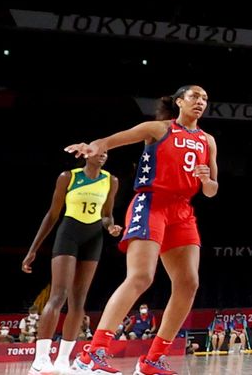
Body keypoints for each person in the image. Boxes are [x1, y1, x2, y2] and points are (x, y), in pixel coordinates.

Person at [67, 85, 217, 374]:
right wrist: (93, 146)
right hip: (151, 203)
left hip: (183, 210)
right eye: (195, 97)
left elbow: (211, 190)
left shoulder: (207, 140)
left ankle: (152, 360)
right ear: (179, 102)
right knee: (141, 277)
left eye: (205, 99)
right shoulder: (158, 129)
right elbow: (111, 140)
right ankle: (92, 353)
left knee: (189, 283)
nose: (201, 102)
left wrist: (207, 180)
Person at [23, 149, 122, 375]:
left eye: (106, 152)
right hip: (69, 234)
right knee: (58, 295)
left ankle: (63, 360)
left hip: (94, 238)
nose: (103, 155)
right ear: (86, 154)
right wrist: (33, 249)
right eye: (98, 151)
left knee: (79, 300)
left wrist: (110, 227)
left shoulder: (111, 180)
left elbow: (107, 214)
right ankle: (40, 360)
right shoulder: (69, 177)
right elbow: (52, 214)